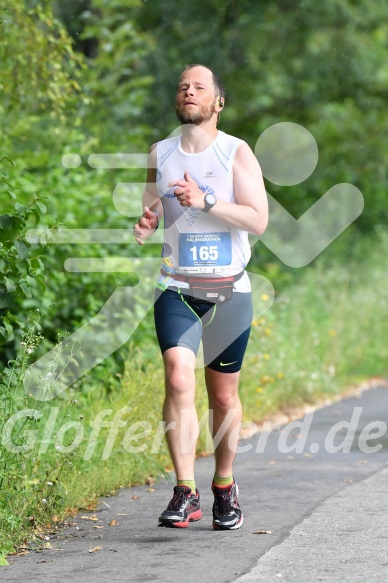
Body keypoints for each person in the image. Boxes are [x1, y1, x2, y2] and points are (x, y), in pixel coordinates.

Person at [133, 64, 268, 530]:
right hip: (177, 286)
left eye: (199, 87)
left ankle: (224, 487)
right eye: (182, 86)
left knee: (224, 397)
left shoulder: (236, 152)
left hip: (229, 290)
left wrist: (206, 202)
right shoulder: (160, 152)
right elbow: (153, 206)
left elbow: (257, 220)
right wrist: (148, 221)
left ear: (218, 103)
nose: (188, 91)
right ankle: (185, 489)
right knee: (177, 375)